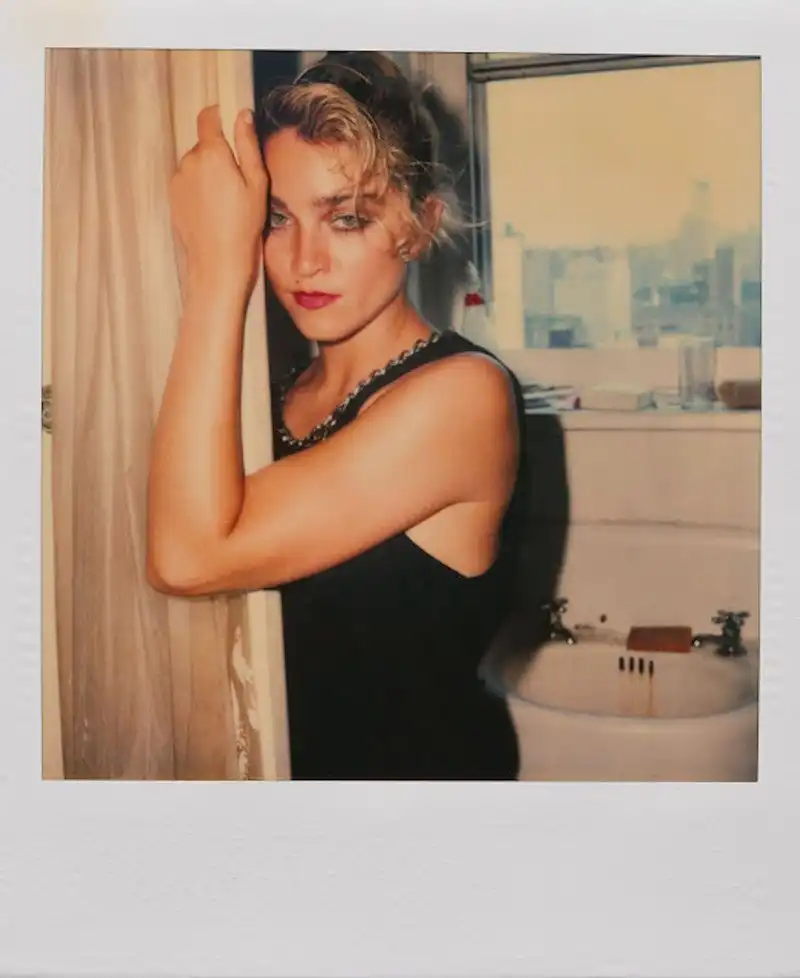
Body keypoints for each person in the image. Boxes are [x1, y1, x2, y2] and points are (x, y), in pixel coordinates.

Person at [147, 51, 529, 780]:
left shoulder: (464, 397)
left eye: (347, 219)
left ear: (421, 226)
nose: (303, 261)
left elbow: (187, 558)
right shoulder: (274, 391)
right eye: (276, 219)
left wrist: (219, 271)